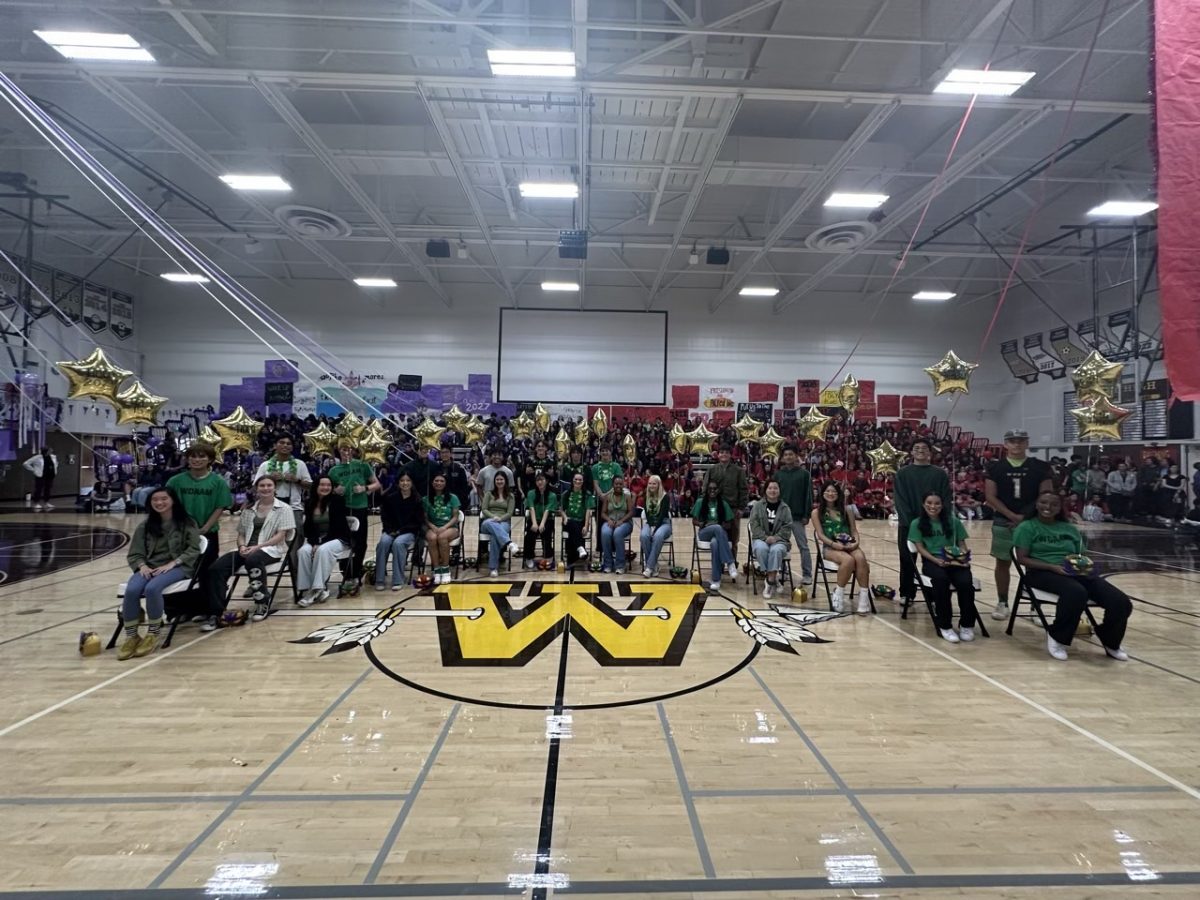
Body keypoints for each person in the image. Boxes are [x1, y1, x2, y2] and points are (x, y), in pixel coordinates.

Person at [1014, 491, 1133, 662]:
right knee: (1076, 592)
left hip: (1074, 571)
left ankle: (1110, 640)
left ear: (1059, 508)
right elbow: (1022, 559)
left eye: (1053, 504)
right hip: (1041, 572)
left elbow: (1081, 554)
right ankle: (1058, 636)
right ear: (1037, 504)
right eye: (1043, 502)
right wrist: (1052, 567)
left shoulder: (1069, 528)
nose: (1048, 507)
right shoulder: (1027, 527)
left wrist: (1085, 566)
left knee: (1120, 602)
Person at [118, 486, 202, 660]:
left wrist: (173, 563)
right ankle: (132, 636)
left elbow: (193, 550)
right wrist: (142, 566)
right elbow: (135, 553)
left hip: (179, 567)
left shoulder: (187, 523)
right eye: (155, 500)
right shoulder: (145, 526)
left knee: (152, 589)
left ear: (172, 501)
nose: (159, 502)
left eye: (164, 499)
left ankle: (153, 633)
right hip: (150, 566)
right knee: (132, 590)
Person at [203, 475, 295, 627]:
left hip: (269, 550)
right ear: (256, 488)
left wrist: (257, 547)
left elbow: (281, 536)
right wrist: (241, 547)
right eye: (262, 486)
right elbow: (241, 534)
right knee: (216, 568)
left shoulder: (284, 509)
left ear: (275, 488)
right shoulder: (249, 509)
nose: (265, 488)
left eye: (269, 485)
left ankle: (262, 603)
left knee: (253, 560)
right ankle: (216, 612)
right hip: (246, 549)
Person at [984, 429, 1053, 622]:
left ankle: (1036, 604)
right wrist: (1012, 516)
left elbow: (1046, 494)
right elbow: (990, 496)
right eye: (1012, 441)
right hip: (1003, 520)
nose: (1016, 445)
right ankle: (1002, 602)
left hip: (1033, 521)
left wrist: (1026, 517)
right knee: (1003, 562)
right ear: (1005, 444)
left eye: (1020, 441)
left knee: (1035, 563)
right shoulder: (994, 467)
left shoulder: (1040, 466)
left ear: (1027, 443)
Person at [909, 491, 978, 643]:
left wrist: (964, 558)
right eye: (929, 503)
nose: (933, 506)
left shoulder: (953, 521)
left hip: (955, 561)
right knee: (941, 582)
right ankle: (945, 625)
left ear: (942, 505)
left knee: (966, 583)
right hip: (933, 561)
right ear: (923, 504)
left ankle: (967, 624)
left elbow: (961, 544)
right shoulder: (917, 523)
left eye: (937, 503)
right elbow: (920, 548)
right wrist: (936, 560)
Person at [892, 438, 952, 610]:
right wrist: (913, 524)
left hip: (934, 526)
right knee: (907, 560)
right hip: (908, 526)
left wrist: (938, 521)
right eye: (916, 447)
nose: (920, 450)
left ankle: (933, 595)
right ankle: (907, 593)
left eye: (924, 448)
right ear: (911, 452)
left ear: (930, 452)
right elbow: (900, 501)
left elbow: (945, 499)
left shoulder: (939, 474)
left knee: (933, 560)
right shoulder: (902, 473)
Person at [166, 441, 232, 585]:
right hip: (180, 532)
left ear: (209, 460)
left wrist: (205, 528)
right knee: (182, 568)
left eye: (201, 457)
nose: (196, 460)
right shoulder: (175, 481)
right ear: (187, 459)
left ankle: (207, 603)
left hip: (207, 532)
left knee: (207, 569)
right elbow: (167, 505)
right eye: (193, 456)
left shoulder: (218, 482)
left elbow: (220, 507)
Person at [254, 434, 312, 574]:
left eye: (289, 443)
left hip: (294, 509)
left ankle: (299, 579)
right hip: (269, 509)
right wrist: (270, 480)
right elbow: (255, 486)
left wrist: (297, 480)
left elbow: (310, 485)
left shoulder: (299, 464)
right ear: (275, 445)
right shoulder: (266, 465)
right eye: (282, 442)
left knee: (295, 544)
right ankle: (256, 579)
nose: (285, 445)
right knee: (262, 543)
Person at [811, 481, 872, 614]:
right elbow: (820, 535)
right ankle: (838, 593)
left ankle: (864, 596)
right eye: (827, 491)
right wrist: (834, 544)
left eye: (833, 491)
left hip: (849, 544)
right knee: (848, 560)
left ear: (838, 494)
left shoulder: (847, 510)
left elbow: (854, 530)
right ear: (822, 493)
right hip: (831, 547)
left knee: (860, 558)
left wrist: (856, 542)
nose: (830, 494)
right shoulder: (816, 512)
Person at [328, 440, 381, 592]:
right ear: (339, 451)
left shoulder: (363, 465)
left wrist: (364, 488)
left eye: (349, 449)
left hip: (360, 508)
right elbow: (327, 489)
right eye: (343, 449)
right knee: (343, 542)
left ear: (353, 450)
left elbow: (376, 484)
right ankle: (346, 572)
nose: (346, 451)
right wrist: (335, 491)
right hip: (342, 509)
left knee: (360, 543)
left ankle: (356, 573)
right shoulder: (334, 471)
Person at [295, 476, 353, 606]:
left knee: (322, 550)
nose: (325, 487)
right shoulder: (310, 502)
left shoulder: (337, 501)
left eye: (328, 485)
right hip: (318, 540)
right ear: (316, 486)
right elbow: (308, 528)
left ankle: (316, 590)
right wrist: (315, 541)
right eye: (322, 485)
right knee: (303, 551)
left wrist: (320, 542)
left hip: (338, 538)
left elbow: (338, 528)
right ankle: (309, 588)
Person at [375, 471, 424, 590]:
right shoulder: (390, 498)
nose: (405, 483)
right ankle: (379, 579)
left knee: (398, 543)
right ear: (398, 483)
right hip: (391, 530)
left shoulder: (417, 500)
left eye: (408, 480)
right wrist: (389, 530)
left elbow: (417, 522)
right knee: (383, 543)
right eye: (402, 481)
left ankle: (398, 579)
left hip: (409, 532)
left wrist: (400, 531)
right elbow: (385, 517)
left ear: (412, 483)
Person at [748, 479, 793, 600]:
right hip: (761, 538)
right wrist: (765, 537)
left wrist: (776, 538)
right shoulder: (757, 506)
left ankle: (769, 580)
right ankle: (773, 578)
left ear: (779, 491)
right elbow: (754, 524)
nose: (773, 490)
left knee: (776, 550)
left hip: (780, 540)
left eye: (775, 488)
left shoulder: (785, 508)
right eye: (770, 488)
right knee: (761, 549)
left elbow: (787, 527)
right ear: (765, 490)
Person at [702, 444, 749, 559]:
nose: (724, 454)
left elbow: (743, 490)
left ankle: (732, 562)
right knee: (717, 538)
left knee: (733, 539)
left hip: (733, 509)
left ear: (730, 455)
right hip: (715, 509)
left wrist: (741, 508)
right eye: (722, 452)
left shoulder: (738, 471)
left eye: (726, 452)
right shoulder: (712, 470)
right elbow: (705, 489)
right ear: (718, 455)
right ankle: (719, 564)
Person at [775, 445, 814, 581]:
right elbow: (774, 495)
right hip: (781, 517)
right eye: (785, 455)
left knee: (803, 546)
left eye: (791, 454)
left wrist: (806, 514)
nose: (788, 457)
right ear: (782, 458)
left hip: (797, 517)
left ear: (796, 456)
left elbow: (808, 496)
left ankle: (807, 574)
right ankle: (782, 571)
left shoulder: (804, 474)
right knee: (781, 544)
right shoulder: (778, 474)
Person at [692, 480, 738, 593]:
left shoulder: (723, 503)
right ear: (707, 491)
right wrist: (702, 523)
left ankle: (716, 580)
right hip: (704, 533)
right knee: (717, 528)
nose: (712, 491)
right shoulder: (700, 502)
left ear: (718, 490)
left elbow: (729, 523)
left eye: (714, 489)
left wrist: (722, 525)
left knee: (715, 543)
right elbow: (694, 521)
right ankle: (730, 562)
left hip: (719, 535)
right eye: (710, 489)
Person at [423, 473, 462, 584]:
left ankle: (445, 570)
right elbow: (425, 518)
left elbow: (455, 517)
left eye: (441, 481)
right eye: (436, 480)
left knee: (442, 537)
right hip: (433, 527)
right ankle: (437, 570)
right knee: (432, 538)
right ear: (432, 483)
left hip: (450, 527)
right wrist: (433, 527)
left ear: (445, 483)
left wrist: (444, 527)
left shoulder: (453, 498)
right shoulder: (426, 499)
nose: (439, 483)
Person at [479, 471, 517, 576]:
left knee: (494, 537)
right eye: (497, 479)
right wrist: (493, 517)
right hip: (488, 521)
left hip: (503, 521)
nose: (499, 481)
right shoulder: (488, 493)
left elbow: (510, 513)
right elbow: (484, 509)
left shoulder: (510, 496)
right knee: (490, 524)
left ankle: (493, 568)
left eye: (501, 479)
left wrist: (500, 519)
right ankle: (508, 543)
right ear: (494, 481)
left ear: (505, 481)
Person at [599, 473, 635, 574]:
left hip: (625, 522)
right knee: (605, 532)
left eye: (620, 484)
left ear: (623, 484)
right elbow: (603, 513)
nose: (618, 486)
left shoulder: (627, 496)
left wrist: (621, 521)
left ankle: (620, 565)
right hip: (610, 521)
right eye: (616, 484)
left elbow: (631, 512)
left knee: (617, 533)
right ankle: (608, 564)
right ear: (613, 485)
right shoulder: (608, 497)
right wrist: (609, 520)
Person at [640, 474, 672, 577]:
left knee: (658, 536)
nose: (652, 485)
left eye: (654, 483)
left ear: (659, 485)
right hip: (650, 523)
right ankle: (654, 565)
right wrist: (650, 526)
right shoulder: (646, 496)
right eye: (650, 483)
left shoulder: (665, 497)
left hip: (663, 523)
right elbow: (648, 515)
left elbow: (662, 515)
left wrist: (655, 528)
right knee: (644, 535)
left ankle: (649, 567)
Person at [523, 472, 558, 568]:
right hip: (534, 519)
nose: (540, 482)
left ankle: (548, 556)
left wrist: (542, 524)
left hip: (547, 520)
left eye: (542, 480)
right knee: (530, 535)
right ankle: (529, 557)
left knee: (546, 533)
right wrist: (534, 523)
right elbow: (531, 508)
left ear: (546, 481)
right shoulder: (531, 493)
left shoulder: (552, 495)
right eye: (538, 480)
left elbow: (547, 510)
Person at [561, 472, 595, 565]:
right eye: (576, 479)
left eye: (580, 479)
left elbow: (588, 510)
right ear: (572, 480)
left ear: (583, 481)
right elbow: (561, 509)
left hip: (581, 521)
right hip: (568, 521)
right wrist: (564, 517)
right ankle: (580, 548)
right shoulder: (566, 493)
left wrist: (586, 525)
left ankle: (571, 560)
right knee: (571, 523)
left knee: (574, 530)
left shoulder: (587, 494)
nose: (577, 481)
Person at [432, 444, 472, 509]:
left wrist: (461, 504)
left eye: (446, 452)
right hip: (440, 502)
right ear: (439, 454)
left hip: (457, 502)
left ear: (451, 454)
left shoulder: (459, 469)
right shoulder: (436, 469)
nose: (444, 454)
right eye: (442, 452)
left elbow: (464, 488)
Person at [24, 446, 58, 511]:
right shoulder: (37, 458)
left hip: (50, 475)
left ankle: (46, 502)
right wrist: (34, 470)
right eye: (49, 451)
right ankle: (36, 503)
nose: (51, 452)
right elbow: (25, 463)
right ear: (45, 451)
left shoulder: (53, 457)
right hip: (40, 475)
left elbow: (56, 463)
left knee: (48, 489)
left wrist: (54, 468)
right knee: (38, 489)